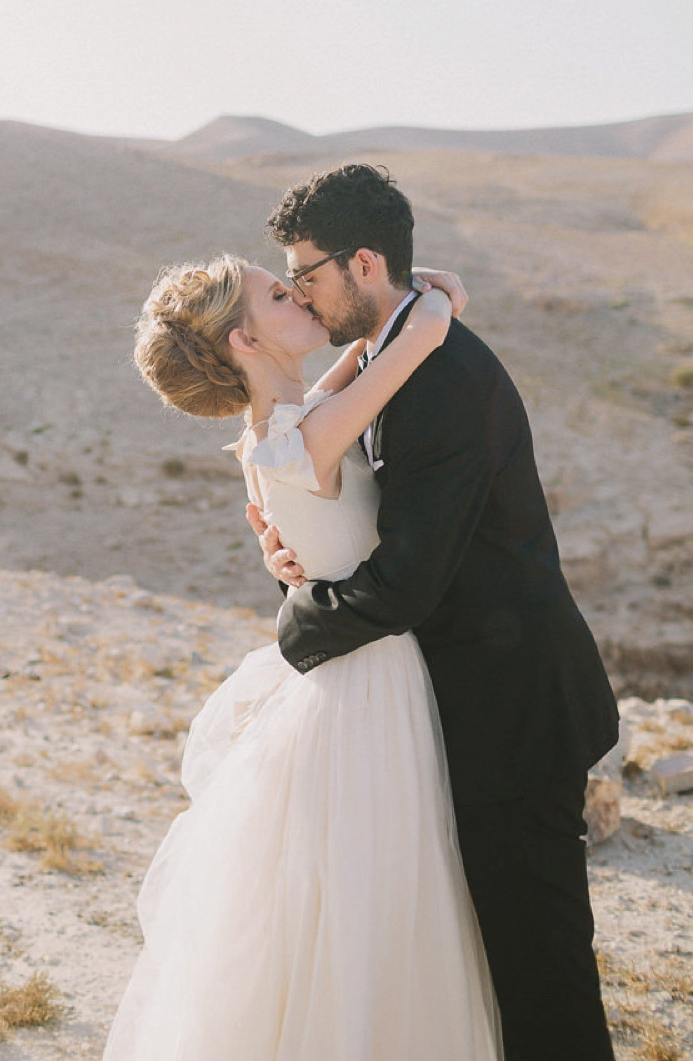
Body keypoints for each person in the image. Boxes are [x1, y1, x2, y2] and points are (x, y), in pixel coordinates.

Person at [253, 162, 618, 1061]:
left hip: (513, 708)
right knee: (486, 965)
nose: (300, 292)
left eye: (307, 273)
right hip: (457, 702)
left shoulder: (440, 376)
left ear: (364, 262)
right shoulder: (395, 352)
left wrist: (296, 625)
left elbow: (409, 581)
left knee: (542, 974)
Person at [104, 252, 502, 1061]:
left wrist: (408, 302)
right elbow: (418, 338)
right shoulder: (300, 433)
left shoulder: (289, 423)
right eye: (284, 294)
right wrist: (416, 295)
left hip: (353, 669)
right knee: (379, 899)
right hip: (367, 684)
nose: (305, 299)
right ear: (247, 339)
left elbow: (362, 363)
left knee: (355, 902)